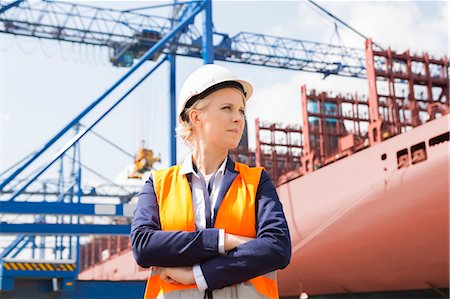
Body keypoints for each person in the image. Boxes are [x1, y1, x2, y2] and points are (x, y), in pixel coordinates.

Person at [131, 64, 291, 299]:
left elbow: (277, 249)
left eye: (241, 111)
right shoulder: (157, 184)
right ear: (196, 117)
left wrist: (198, 275)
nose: (238, 118)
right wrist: (222, 240)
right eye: (227, 108)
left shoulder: (257, 181)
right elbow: (144, 247)